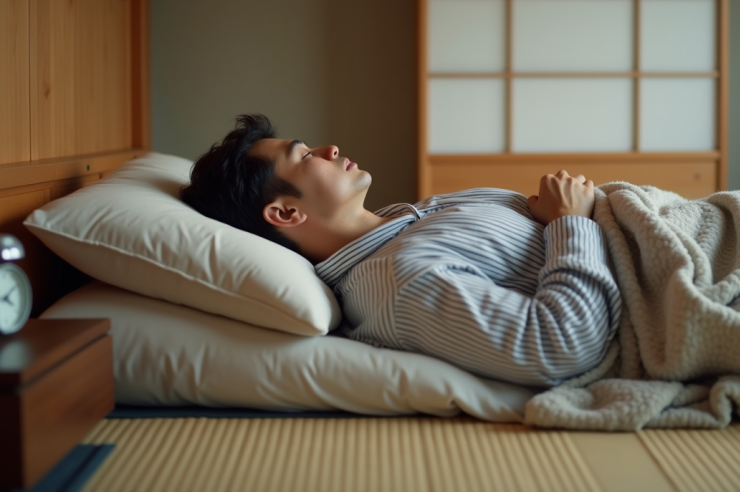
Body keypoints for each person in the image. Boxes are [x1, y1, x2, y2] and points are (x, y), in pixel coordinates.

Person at [181, 115, 622, 387]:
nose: (330, 148)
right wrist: (571, 223)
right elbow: (561, 347)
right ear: (285, 213)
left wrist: (552, 217)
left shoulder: (409, 218)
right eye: (305, 156)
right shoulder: (398, 281)